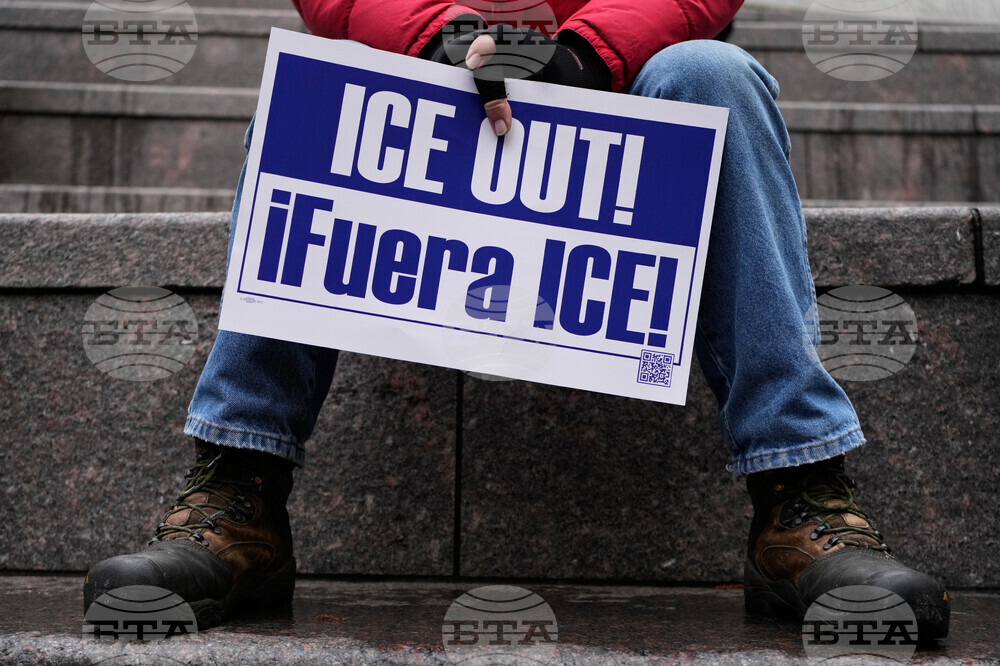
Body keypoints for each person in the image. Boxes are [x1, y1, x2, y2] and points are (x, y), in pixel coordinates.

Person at [84, 0, 951, 640]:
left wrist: (580, 55)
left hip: (623, 61)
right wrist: (447, 36)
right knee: (313, 95)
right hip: (429, 58)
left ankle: (798, 495)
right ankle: (241, 492)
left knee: (714, 77)